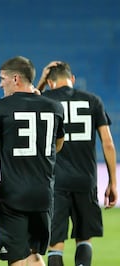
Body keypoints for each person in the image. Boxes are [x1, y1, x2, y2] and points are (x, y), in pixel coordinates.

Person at [0, 56, 65, 266]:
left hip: (13, 196)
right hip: (43, 196)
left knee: (16, 259)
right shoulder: (55, 107)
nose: (0, 83)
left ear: (15, 79)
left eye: (2, 78)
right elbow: (57, 145)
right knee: (34, 255)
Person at [36, 61, 118, 266]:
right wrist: (113, 182)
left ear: (51, 82)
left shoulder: (45, 99)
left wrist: (40, 84)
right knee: (84, 238)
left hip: (56, 182)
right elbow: (108, 143)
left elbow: (26, 103)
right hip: (86, 180)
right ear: (72, 80)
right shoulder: (93, 101)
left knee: (56, 243)